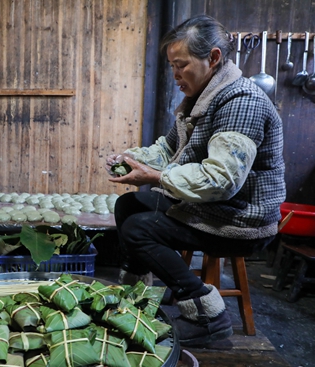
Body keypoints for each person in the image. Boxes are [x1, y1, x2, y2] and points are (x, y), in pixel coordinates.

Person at [106, 15, 285, 346]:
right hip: (212, 207)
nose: (175, 75)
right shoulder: (198, 100)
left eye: (181, 65)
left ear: (213, 58)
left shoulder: (241, 102)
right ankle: (136, 298)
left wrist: (156, 176)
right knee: (129, 204)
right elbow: (168, 150)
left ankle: (208, 319)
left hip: (243, 219)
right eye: (172, 66)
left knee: (139, 228)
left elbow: (221, 179)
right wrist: (132, 160)